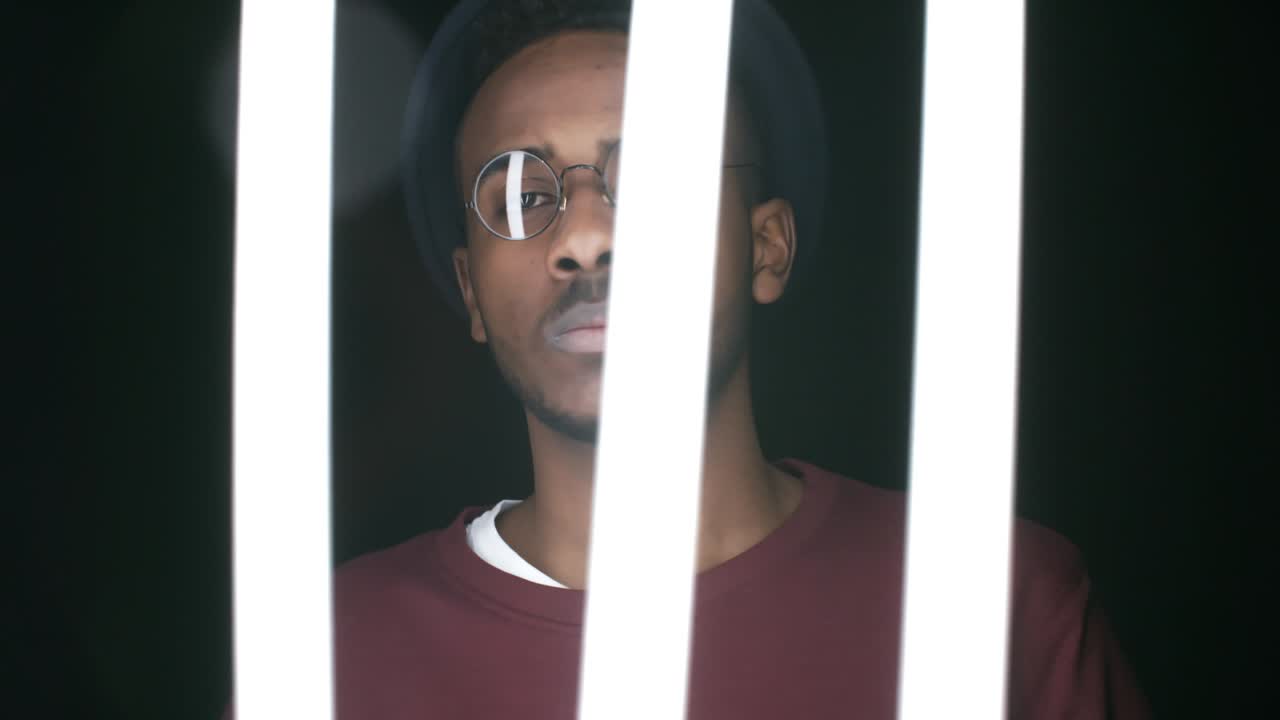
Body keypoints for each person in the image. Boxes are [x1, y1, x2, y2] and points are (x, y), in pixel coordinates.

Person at [327, 0, 1151, 717]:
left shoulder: (989, 603)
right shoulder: (339, 652)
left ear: (766, 248)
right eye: (523, 196)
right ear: (471, 291)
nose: (585, 237)